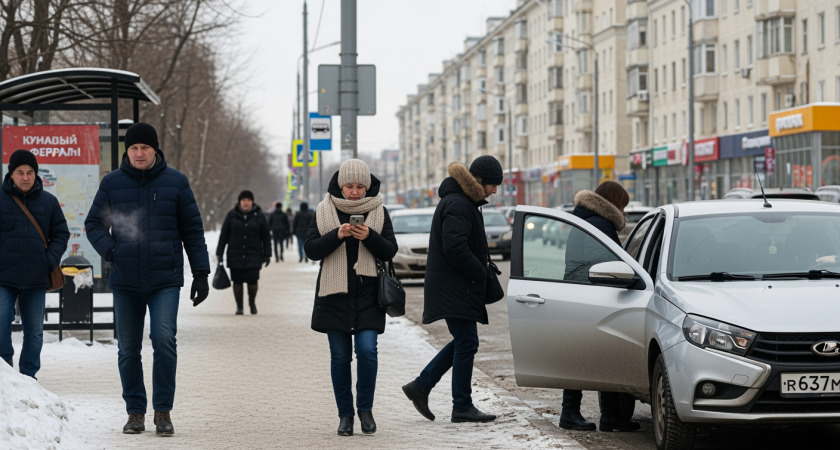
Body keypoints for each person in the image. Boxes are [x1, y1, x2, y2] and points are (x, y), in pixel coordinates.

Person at [85, 123, 210, 436]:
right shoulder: (112, 183)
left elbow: (192, 230)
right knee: (128, 349)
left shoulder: (176, 182)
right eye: (133, 148)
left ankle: (163, 411)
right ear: (127, 151)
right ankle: (135, 412)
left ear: (155, 150)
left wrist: (201, 273)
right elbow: (94, 224)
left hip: (164, 278)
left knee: (164, 340)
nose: (139, 153)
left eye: (145, 148)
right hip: (125, 279)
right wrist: (111, 250)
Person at [402, 156, 502, 423]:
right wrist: (481, 273)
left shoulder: (463, 201)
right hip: (455, 286)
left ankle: (421, 386)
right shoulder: (458, 203)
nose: (494, 191)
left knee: (464, 341)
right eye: (493, 185)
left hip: (456, 285)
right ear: (479, 181)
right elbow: (455, 248)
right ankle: (461, 405)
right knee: (467, 342)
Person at [304, 159, 398, 436]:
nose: (354, 192)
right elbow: (311, 249)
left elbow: (390, 251)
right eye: (349, 186)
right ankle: (345, 415)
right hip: (335, 296)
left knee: (368, 352)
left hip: (369, 294)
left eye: (359, 186)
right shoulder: (323, 211)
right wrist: (338, 235)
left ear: (367, 186)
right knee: (340, 358)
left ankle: (365, 408)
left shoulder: (379, 211)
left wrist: (369, 236)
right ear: (340, 185)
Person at [559, 181, 640, 433]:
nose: (624, 212)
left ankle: (609, 416)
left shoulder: (586, 219)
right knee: (586, 356)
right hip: (592, 294)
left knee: (599, 354)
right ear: (613, 203)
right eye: (623, 206)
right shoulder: (601, 224)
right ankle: (571, 413)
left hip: (582, 292)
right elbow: (608, 263)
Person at [0, 150, 69, 379]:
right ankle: (5, 370)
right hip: (3, 278)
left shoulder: (48, 202)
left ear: (36, 174)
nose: (26, 177)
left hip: (36, 278)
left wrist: (49, 261)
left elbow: (61, 233)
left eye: (30, 172)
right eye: (20, 172)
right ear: (11, 174)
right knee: (1, 322)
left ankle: (29, 377)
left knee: (34, 332)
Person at [216, 191, 271, 315]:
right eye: (243, 200)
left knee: (253, 281)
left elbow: (266, 236)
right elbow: (224, 235)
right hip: (235, 253)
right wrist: (219, 252)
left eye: (248, 200)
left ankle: (252, 303)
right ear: (239, 201)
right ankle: (239, 307)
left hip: (254, 254)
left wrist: (267, 254)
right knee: (237, 281)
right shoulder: (231, 215)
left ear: (252, 201)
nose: (246, 203)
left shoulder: (259, 215)